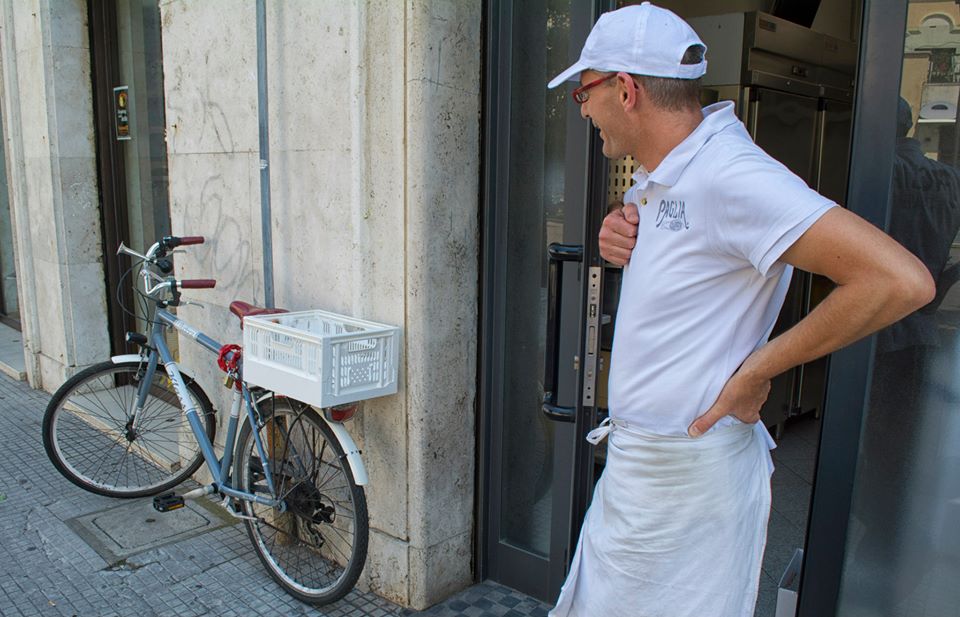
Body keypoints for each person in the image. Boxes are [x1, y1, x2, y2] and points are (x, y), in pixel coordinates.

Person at [545, 4, 935, 616]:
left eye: (583, 92)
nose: (583, 107)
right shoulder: (672, 174)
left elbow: (897, 281)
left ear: (625, 90)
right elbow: (696, 264)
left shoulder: (730, 175)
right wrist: (621, 237)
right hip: (646, 474)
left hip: (688, 484)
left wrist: (758, 371)